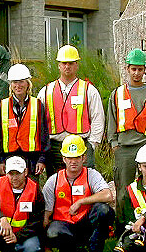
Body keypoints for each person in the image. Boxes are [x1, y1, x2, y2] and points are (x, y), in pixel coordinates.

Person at [43, 135, 114, 252]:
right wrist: (47, 248)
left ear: (84, 158)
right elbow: (46, 216)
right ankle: (73, 251)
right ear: (64, 159)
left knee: (103, 210)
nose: (73, 161)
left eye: (77, 157)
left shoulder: (91, 174)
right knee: (52, 232)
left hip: (86, 224)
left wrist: (81, 202)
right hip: (64, 226)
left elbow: (108, 195)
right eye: (69, 158)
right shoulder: (53, 181)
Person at [107, 49, 146, 211]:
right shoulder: (117, 94)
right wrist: (114, 144)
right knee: (123, 191)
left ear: (145, 70)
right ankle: (122, 228)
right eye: (133, 69)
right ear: (127, 69)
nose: (137, 73)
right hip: (124, 149)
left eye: (140, 69)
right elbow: (112, 120)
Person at [36, 45, 105, 175]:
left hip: (82, 144)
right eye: (64, 63)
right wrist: (44, 146)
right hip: (55, 146)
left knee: (84, 183)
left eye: (71, 63)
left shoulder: (88, 90)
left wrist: (92, 144)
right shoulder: (46, 91)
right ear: (59, 65)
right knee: (57, 185)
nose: (67, 66)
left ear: (77, 65)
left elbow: (98, 117)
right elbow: (38, 121)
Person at [0, 63, 50, 176]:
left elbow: (44, 134)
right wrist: (0, 160)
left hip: (32, 160)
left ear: (27, 83)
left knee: (31, 191)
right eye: (15, 82)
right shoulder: (3, 105)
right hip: (9, 158)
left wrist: (42, 159)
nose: (18, 85)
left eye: (21, 81)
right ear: (11, 85)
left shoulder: (37, 104)